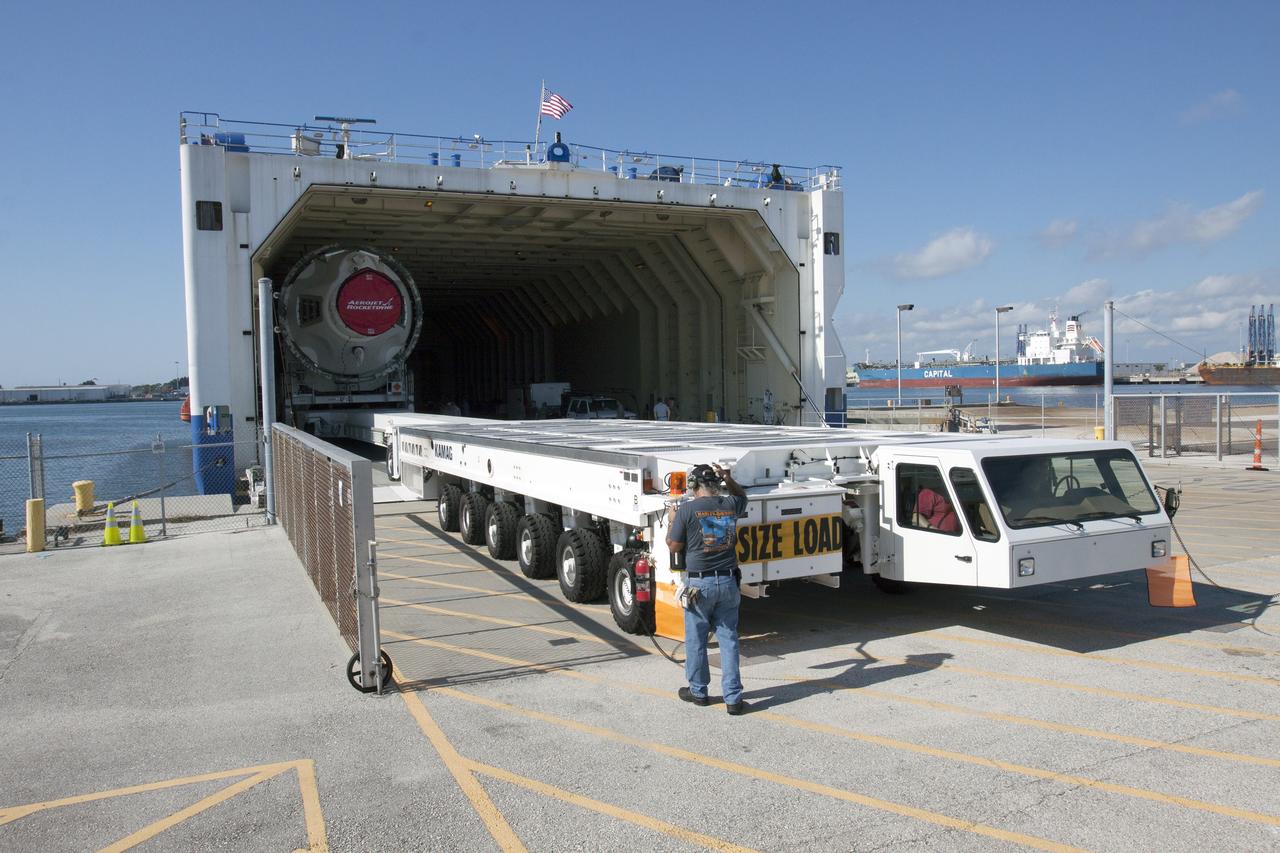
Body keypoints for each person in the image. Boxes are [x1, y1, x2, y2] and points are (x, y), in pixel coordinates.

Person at [666, 463, 749, 715]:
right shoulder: (729, 505)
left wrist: (671, 521)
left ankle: (699, 691)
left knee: (696, 639)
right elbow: (743, 496)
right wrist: (728, 477)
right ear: (716, 484)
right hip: (727, 582)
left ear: (693, 486)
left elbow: (673, 546)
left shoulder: (687, 510)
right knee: (729, 639)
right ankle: (733, 698)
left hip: (699, 585)